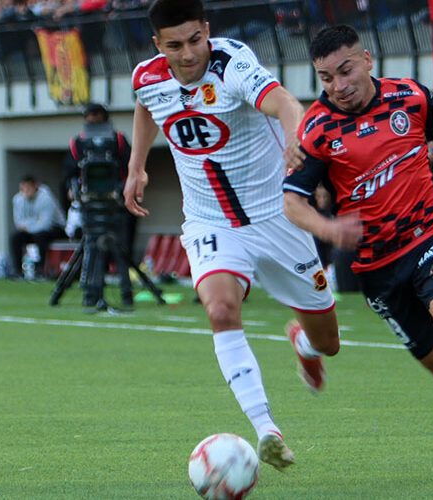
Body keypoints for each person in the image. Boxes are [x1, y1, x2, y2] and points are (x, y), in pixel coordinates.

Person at [122, 0, 341, 472]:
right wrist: (136, 166)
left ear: (207, 30)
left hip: (277, 218)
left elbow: (285, 102)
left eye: (195, 40)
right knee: (220, 309)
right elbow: (145, 106)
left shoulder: (232, 64)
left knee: (329, 341)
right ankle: (267, 429)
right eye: (175, 45)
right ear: (158, 45)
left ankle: (303, 344)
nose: (188, 54)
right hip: (210, 221)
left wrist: (295, 145)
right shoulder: (148, 76)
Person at [284, 24, 433, 474]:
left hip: (430, 233)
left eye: (345, 71)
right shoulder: (316, 129)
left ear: (367, 60)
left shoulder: (410, 96)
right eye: (326, 78)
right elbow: (292, 202)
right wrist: (330, 230)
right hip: (376, 265)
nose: (338, 86)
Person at [63, 103, 135, 310]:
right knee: (91, 247)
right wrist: (75, 189)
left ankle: (126, 292)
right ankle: (90, 292)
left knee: (120, 248)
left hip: (115, 203)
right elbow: (69, 172)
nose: (92, 120)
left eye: (96, 115)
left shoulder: (118, 140)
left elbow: (131, 166)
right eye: (89, 116)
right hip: (90, 203)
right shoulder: (78, 142)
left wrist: (123, 189)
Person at [10, 175, 66, 280]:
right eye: (23, 189)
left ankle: (41, 270)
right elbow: (19, 222)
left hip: (55, 228)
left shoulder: (45, 198)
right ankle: (17, 271)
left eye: (28, 188)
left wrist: (29, 226)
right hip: (33, 230)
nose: (25, 192)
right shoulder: (17, 199)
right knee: (15, 237)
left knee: (40, 236)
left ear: (35, 186)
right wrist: (34, 223)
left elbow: (45, 223)